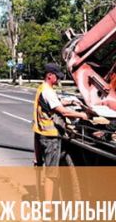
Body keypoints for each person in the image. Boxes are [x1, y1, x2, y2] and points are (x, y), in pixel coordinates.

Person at [33, 62, 88, 201]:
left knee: (46, 169)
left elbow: (55, 104)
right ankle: (47, 208)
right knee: (51, 174)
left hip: (42, 134)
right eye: (57, 77)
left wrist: (70, 102)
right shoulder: (47, 91)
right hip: (50, 137)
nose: (58, 80)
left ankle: (45, 201)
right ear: (49, 75)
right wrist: (82, 115)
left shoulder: (43, 88)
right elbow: (62, 112)